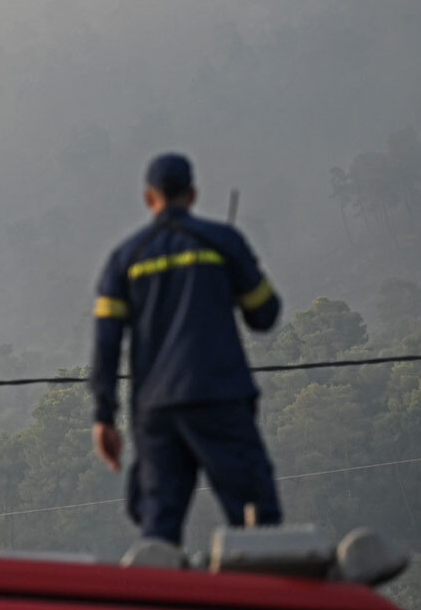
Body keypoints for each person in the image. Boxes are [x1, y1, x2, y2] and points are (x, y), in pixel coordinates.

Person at [89, 153, 282, 546]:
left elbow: (106, 344)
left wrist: (103, 416)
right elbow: (264, 314)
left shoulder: (126, 258)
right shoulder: (223, 243)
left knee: (158, 527)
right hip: (219, 399)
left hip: (155, 410)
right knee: (256, 521)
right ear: (192, 194)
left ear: (149, 198)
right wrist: (239, 276)